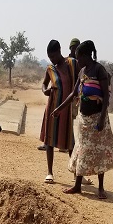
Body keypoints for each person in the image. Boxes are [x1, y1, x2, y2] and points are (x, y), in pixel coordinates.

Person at [53, 40, 113, 199]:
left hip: (97, 118)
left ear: (85, 55)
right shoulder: (82, 72)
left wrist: (102, 119)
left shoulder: (99, 70)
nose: (77, 60)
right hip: (83, 119)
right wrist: (59, 109)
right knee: (82, 151)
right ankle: (77, 185)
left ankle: (101, 188)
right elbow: (74, 93)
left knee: (99, 151)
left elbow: (105, 98)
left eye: (78, 57)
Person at [39, 40, 78, 183]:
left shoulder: (71, 64)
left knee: (70, 141)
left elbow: (79, 81)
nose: (52, 60)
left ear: (60, 51)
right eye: (50, 57)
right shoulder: (50, 68)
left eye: (54, 56)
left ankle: (76, 172)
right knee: (49, 139)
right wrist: (45, 91)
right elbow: (43, 84)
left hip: (67, 108)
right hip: (52, 107)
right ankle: (50, 172)